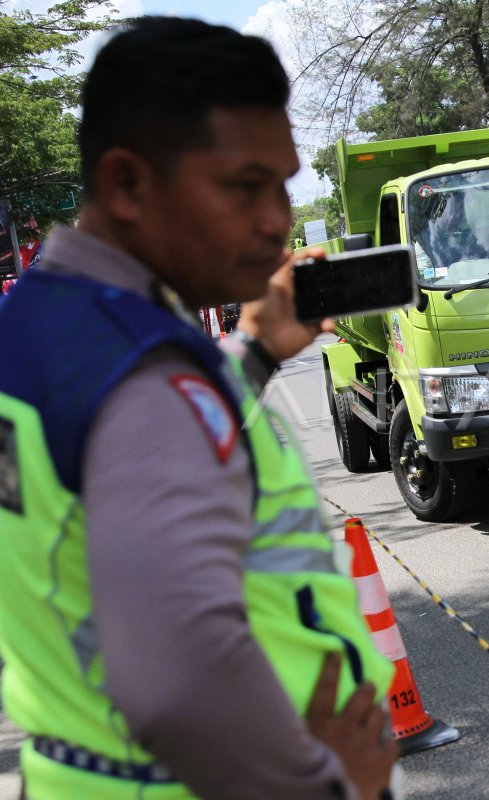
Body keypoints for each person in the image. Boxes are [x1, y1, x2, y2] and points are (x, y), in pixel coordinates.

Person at [0, 17, 403, 799]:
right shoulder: (146, 375)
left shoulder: (37, 327)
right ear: (126, 184)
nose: (278, 220)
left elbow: (107, 474)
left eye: (284, 184)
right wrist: (329, 786)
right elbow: (175, 685)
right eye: (244, 186)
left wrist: (252, 355)